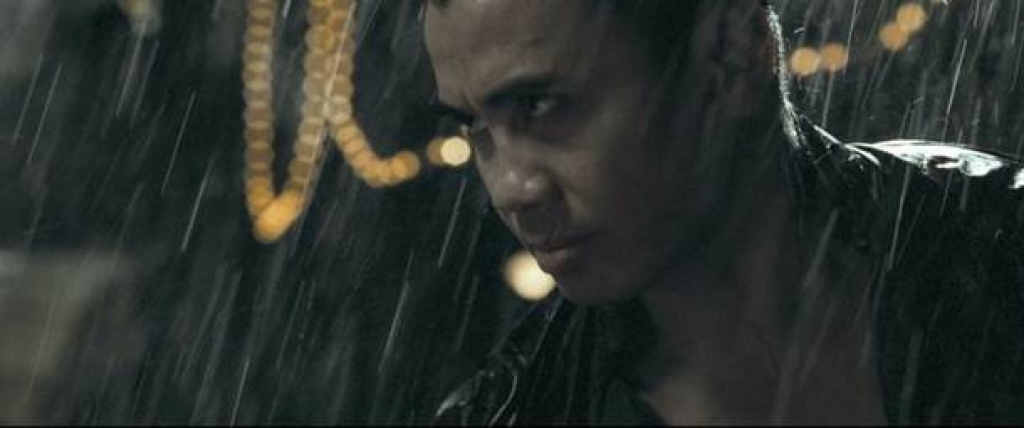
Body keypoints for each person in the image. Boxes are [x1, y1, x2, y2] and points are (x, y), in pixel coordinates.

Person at [422, 0, 1024, 424]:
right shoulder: (517, 411)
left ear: (732, 54)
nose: (509, 189)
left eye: (540, 105)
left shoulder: (997, 239)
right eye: (474, 126)